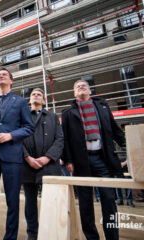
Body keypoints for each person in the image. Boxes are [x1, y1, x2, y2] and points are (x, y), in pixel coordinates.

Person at [62, 79, 125, 240]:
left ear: (90, 91)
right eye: (77, 87)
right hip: (81, 162)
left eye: (84, 86)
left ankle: (113, 236)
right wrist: (68, 160)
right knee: (85, 203)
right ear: (74, 93)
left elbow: (115, 131)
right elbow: (66, 139)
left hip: (102, 159)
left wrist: (130, 146)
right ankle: (92, 237)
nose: (81, 87)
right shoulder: (68, 113)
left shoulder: (102, 107)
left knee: (109, 200)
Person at [0, 67, 34, 240]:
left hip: (12, 155)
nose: (1, 76)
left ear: (11, 81)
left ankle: (10, 237)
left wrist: (10, 135)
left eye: (4, 75)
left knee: (12, 200)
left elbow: (28, 127)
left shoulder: (20, 102)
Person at [21, 88, 64, 240]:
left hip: (49, 164)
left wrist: (47, 157)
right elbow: (18, 140)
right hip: (28, 165)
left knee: (51, 202)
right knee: (30, 202)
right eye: (33, 94)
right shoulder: (22, 117)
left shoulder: (53, 116)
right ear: (30, 100)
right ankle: (32, 234)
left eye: (39, 94)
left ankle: (50, 232)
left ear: (44, 100)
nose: (36, 96)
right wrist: (27, 158)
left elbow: (60, 139)